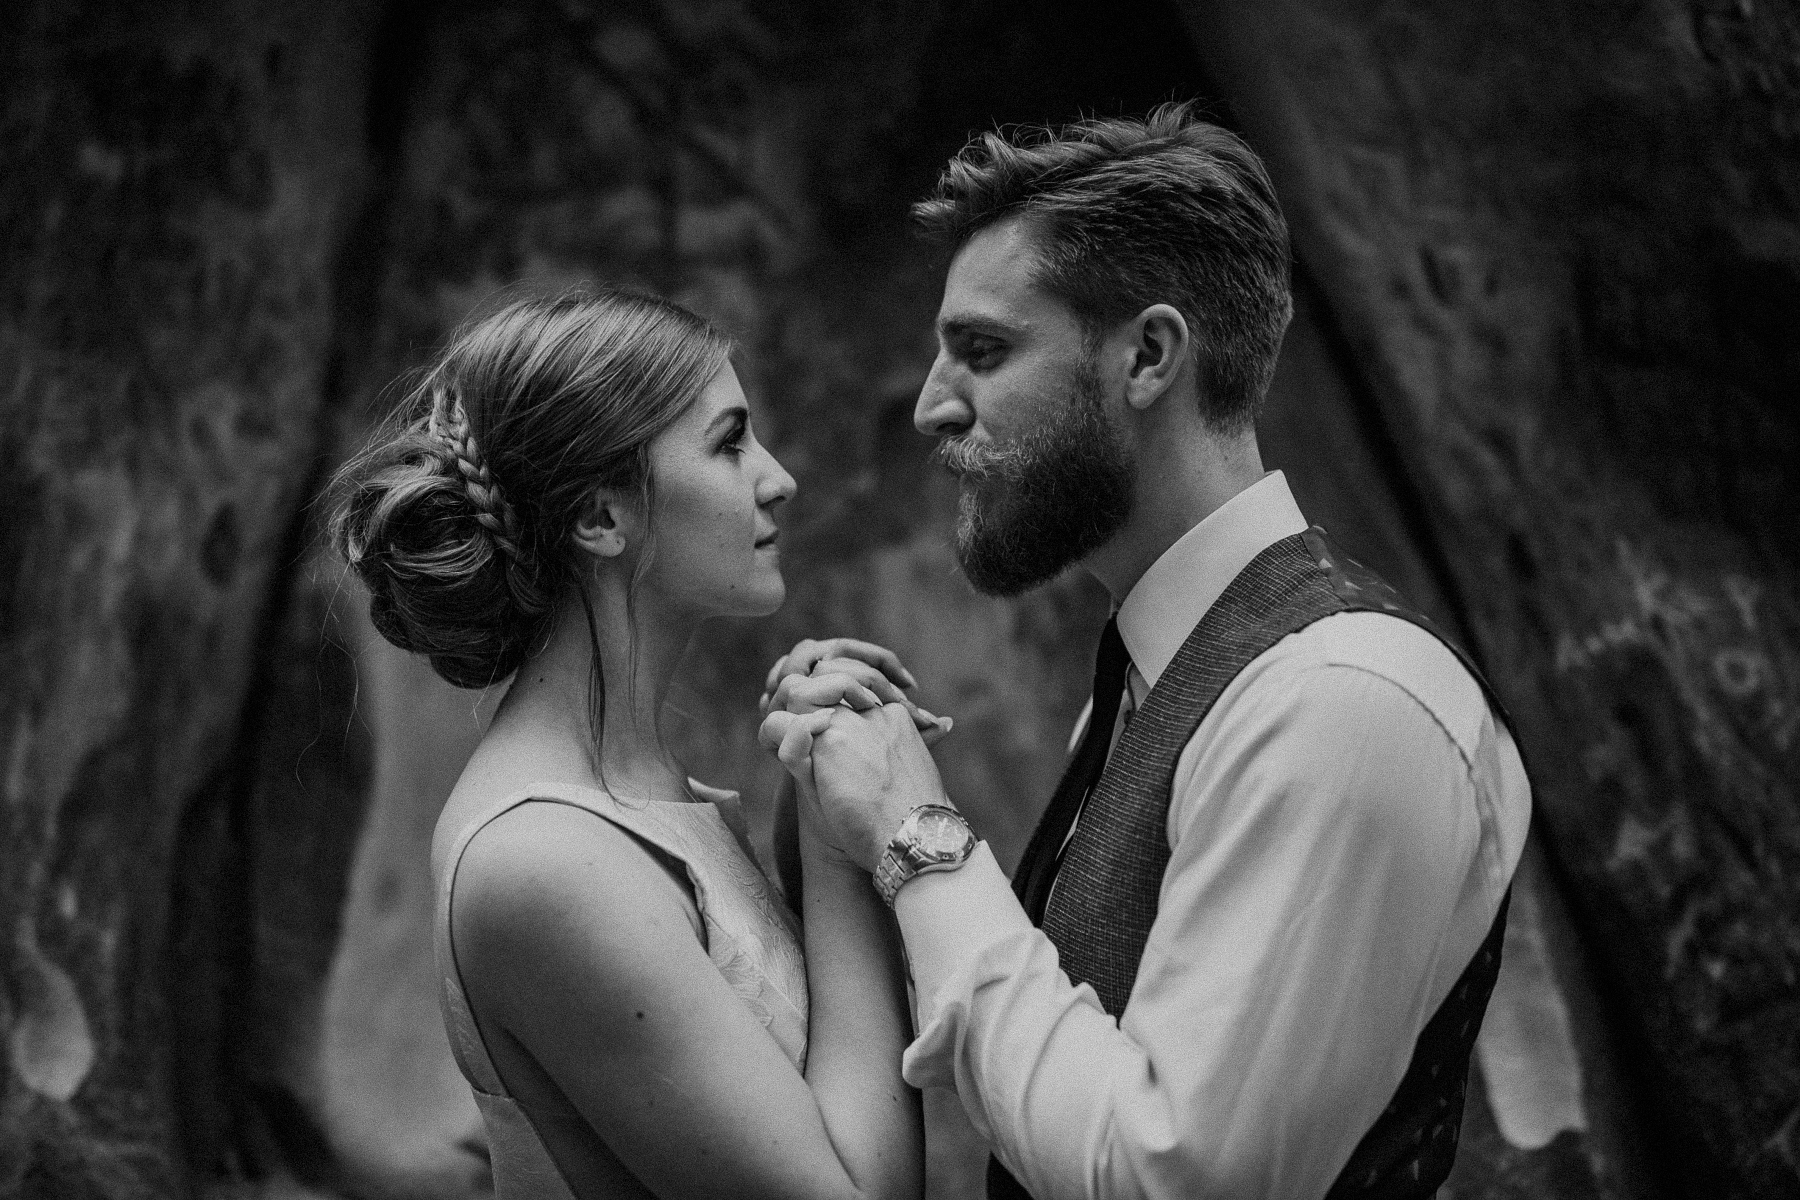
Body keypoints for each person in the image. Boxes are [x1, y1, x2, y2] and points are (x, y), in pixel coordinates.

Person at [760, 103, 1532, 1200]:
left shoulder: (1342, 702)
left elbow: (1169, 1181)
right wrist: (849, 822)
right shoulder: (1161, 683)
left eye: (983, 351)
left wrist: (916, 832)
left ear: (1149, 357)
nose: (932, 408)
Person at [330, 290, 936, 1200]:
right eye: (729, 443)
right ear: (601, 519)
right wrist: (839, 847)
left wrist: (814, 802)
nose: (778, 479)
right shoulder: (544, 862)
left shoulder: (638, 793)